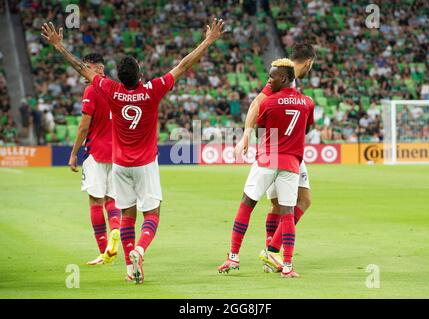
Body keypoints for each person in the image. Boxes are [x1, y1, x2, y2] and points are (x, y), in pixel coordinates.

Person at [41, 18, 225, 284]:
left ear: (119, 77)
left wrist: (59, 46)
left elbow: (83, 69)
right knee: (152, 213)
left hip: (120, 165)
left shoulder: (111, 90)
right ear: (140, 76)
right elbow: (184, 65)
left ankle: (130, 269)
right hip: (146, 163)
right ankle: (140, 250)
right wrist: (208, 40)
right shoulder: (153, 90)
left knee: (126, 215)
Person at [218, 59, 314, 278]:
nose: (269, 81)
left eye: (272, 77)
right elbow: (307, 129)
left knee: (247, 203)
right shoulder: (307, 102)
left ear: (284, 78)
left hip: (267, 159)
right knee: (287, 213)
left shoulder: (269, 103)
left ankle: (233, 255)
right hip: (291, 163)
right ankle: (287, 266)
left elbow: (262, 129)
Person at [68, 53, 121, 266]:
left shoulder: (92, 89)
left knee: (95, 201)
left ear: (99, 70)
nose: (82, 71)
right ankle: (116, 228)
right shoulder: (118, 88)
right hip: (118, 155)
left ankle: (103, 252)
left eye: (86, 67)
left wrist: (73, 153)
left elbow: (84, 125)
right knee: (112, 199)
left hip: (97, 153)